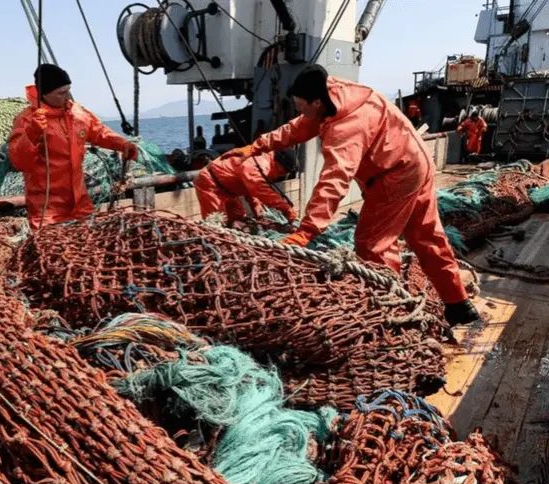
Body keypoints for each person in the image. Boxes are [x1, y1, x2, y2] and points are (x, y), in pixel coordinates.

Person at [221, 64, 480, 326]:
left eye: (301, 106)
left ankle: (392, 313)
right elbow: (298, 128)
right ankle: (457, 302)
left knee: (372, 244)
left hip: (395, 175)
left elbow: (334, 179)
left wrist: (308, 229)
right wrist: (256, 147)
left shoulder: (346, 127)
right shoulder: (336, 95)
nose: (299, 112)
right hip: (416, 161)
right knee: (426, 236)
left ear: (316, 102)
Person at [8, 64, 138, 229]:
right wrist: (32, 133)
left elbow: (98, 132)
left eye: (68, 90)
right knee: (52, 249)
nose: (67, 96)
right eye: (61, 93)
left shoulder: (78, 113)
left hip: (80, 202)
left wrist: (122, 144)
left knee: (89, 243)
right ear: (44, 94)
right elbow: (19, 161)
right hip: (47, 208)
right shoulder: (27, 119)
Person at [194, 150, 298, 225]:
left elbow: (251, 188)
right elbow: (259, 187)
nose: (281, 175)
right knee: (216, 224)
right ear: (279, 163)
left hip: (230, 191)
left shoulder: (263, 163)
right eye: (283, 172)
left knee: (239, 219)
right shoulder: (261, 163)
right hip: (210, 184)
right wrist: (285, 207)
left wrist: (258, 209)